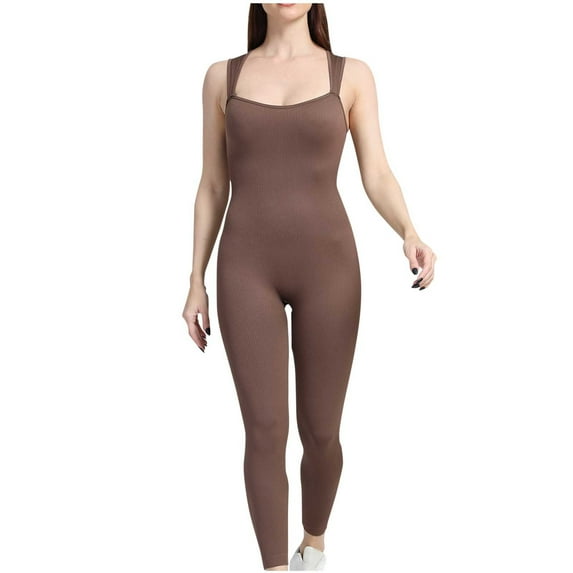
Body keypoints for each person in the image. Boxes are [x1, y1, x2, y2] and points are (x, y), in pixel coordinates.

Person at [182, 3, 437, 570]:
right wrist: (195, 277)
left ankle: (313, 546)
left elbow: (376, 172)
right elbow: (212, 184)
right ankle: (275, 566)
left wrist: (409, 231)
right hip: (245, 270)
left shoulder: (352, 75)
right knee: (264, 431)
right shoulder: (222, 77)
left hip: (330, 271)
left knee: (321, 433)